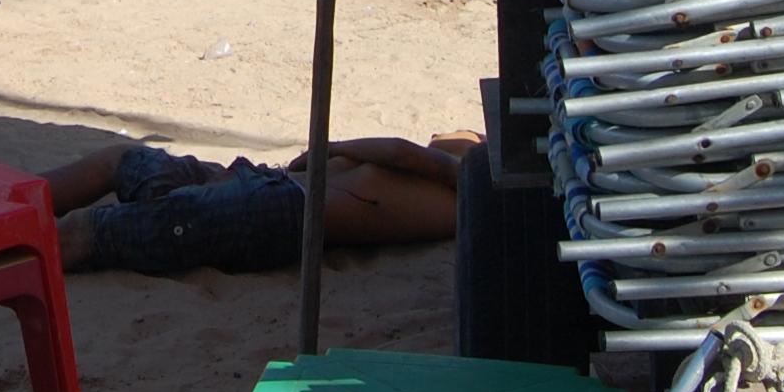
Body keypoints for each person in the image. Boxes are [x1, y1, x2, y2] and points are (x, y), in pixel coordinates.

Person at [45, 135, 477, 275]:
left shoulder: (465, 181)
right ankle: (1, 203)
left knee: (89, 232)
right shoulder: (434, 181)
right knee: (123, 160)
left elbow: (405, 152)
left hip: (274, 207)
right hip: (265, 187)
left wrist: (333, 146)